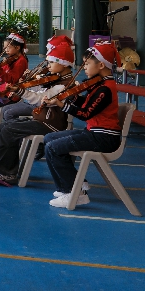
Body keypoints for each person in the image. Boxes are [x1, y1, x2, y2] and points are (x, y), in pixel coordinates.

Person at [41, 42, 122, 208]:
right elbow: (87, 104)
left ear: (101, 65)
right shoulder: (99, 85)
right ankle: (71, 185)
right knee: (49, 138)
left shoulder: (105, 89)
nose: (83, 67)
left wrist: (62, 104)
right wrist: (73, 96)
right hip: (94, 132)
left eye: (87, 63)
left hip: (104, 137)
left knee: (53, 148)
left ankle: (76, 193)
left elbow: (85, 114)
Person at [0, 41, 76, 183]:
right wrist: (27, 84)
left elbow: (40, 100)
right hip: (42, 119)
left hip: (50, 124)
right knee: (4, 126)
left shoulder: (64, 85)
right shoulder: (57, 79)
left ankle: (7, 173)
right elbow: (40, 90)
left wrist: (21, 91)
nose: (48, 66)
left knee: (8, 129)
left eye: (51, 62)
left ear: (63, 64)